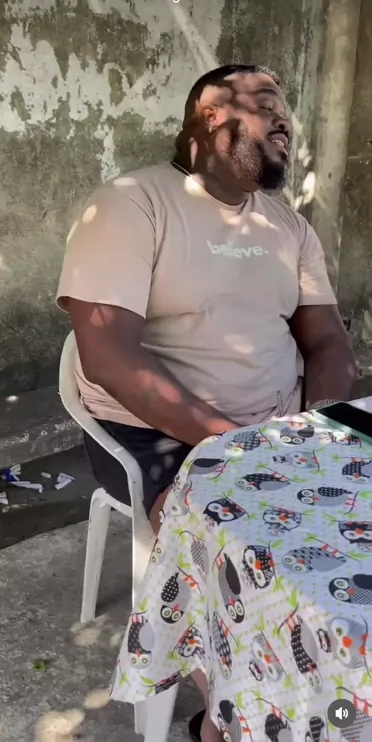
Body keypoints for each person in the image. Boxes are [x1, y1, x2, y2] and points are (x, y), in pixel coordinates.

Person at [57, 64, 356, 742]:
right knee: (239, 549)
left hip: (282, 430)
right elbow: (109, 357)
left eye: (282, 108)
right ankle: (230, 717)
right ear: (205, 121)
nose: (280, 118)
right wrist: (239, 448)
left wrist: (312, 432)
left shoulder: (289, 227)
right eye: (260, 103)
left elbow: (330, 346)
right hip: (156, 433)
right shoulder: (131, 204)